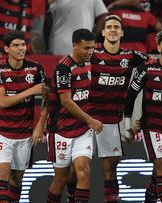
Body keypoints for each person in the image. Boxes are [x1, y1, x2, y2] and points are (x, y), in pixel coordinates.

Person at [86, 15, 149, 203]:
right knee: (78, 169)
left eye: (116, 27)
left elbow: (156, 65)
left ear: (122, 33)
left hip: (111, 122)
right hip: (86, 119)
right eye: (109, 27)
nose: (112, 29)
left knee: (110, 171)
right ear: (103, 32)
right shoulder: (92, 52)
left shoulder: (130, 57)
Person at [38, 29, 102, 203]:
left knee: (83, 170)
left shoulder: (92, 62)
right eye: (85, 48)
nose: (90, 52)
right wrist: (90, 120)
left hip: (82, 130)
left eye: (92, 48)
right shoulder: (63, 68)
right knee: (62, 179)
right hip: (61, 130)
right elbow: (66, 102)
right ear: (74, 45)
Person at [124, 28, 162, 203]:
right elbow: (130, 96)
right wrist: (128, 124)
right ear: (158, 47)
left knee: (157, 176)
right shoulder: (146, 70)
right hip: (151, 127)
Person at [0, 30, 47, 203]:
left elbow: (49, 99)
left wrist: (40, 125)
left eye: (23, 44)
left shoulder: (36, 68)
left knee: (16, 179)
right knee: (1, 175)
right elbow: (3, 102)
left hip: (25, 134)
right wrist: (31, 91)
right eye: (16, 45)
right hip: (2, 133)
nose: (21, 48)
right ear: (6, 48)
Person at [44, 0, 108, 55]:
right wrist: (94, 34)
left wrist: (46, 45)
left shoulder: (55, 1)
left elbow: (48, 21)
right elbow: (103, 16)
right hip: (83, 43)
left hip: (58, 44)